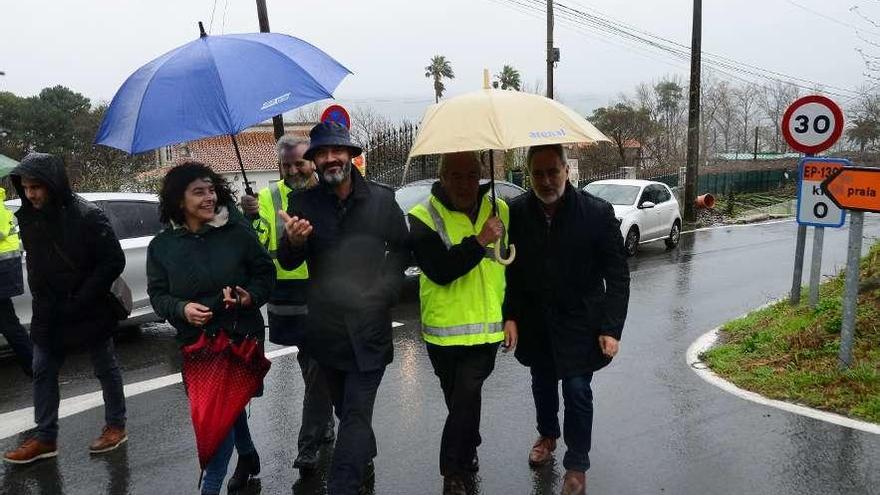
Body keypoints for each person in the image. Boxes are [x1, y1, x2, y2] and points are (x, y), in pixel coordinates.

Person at [277, 122, 408, 495]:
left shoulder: (382, 200)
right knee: (344, 412)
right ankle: (363, 456)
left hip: (370, 330)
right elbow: (287, 261)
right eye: (322, 153)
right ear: (315, 161)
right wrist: (295, 243)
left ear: (351, 156)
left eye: (338, 151)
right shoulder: (302, 204)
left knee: (354, 413)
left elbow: (401, 249)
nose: (331, 158)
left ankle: (343, 486)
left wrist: (385, 290)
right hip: (326, 333)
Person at [503, 144, 630, 495]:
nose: (546, 181)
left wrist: (611, 328)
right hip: (536, 323)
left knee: (576, 390)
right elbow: (510, 273)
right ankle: (547, 435)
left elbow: (618, 275)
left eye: (552, 172)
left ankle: (577, 464)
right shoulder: (516, 213)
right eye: (538, 173)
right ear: (529, 174)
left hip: (581, 323)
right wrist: (510, 316)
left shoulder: (596, 213)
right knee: (542, 383)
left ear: (566, 171)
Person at [146, 162, 275, 495]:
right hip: (197, 345)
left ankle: (210, 488)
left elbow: (265, 274)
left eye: (211, 189)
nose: (209, 197)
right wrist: (181, 309)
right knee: (223, 410)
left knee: (217, 424)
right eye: (198, 192)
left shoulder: (237, 231)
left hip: (237, 337)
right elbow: (158, 295)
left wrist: (249, 297)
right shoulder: (162, 247)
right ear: (178, 200)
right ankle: (246, 454)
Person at [3, 153, 127, 464]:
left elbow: (113, 261)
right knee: (42, 369)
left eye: (37, 187)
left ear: (53, 184)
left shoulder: (87, 215)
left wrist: (82, 297)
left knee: (105, 367)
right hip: (49, 309)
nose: (31, 194)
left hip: (89, 306)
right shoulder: (28, 216)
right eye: (26, 187)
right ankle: (45, 437)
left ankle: (115, 426)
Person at [407, 151, 516, 495]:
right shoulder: (422, 216)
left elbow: (510, 266)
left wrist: (511, 315)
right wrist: (481, 239)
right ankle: (469, 444)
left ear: (481, 176)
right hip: (443, 332)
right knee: (460, 401)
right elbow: (439, 271)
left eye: (471, 175)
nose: (465, 184)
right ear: (442, 179)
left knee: (466, 395)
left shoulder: (501, 210)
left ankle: (452, 471)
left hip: (486, 328)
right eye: (455, 176)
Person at [240, 135, 335, 474]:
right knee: (310, 362)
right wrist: (249, 215)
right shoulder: (268, 196)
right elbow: (257, 244)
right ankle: (324, 422)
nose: (294, 170)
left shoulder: (329, 192)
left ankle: (308, 444)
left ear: (312, 160)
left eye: (300, 163)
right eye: (286, 165)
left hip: (323, 294)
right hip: (286, 296)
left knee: (317, 364)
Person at [0, 185, 33, 377]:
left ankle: (35, 367)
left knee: (9, 324)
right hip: (4, 269)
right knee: (9, 323)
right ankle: (34, 366)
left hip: (2, 270)